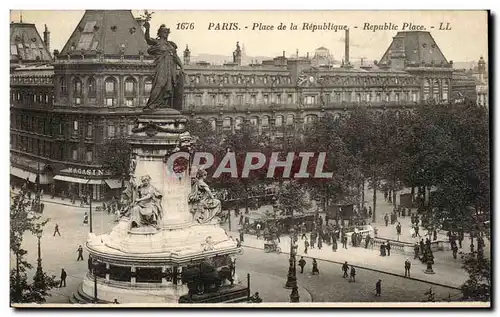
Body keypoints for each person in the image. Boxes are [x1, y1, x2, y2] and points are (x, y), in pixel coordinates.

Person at [142, 21, 184, 110]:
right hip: (161, 66)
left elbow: (176, 57)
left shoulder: (170, 45)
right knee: (160, 83)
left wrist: (181, 66)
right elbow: (148, 39)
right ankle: (152, 104)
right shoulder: (157, 42)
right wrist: (147, 29)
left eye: (167, 32)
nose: (166, 34)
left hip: (170, 68)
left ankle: (163, 104)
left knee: (169, 86)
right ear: (160, 33)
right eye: (164, 32)